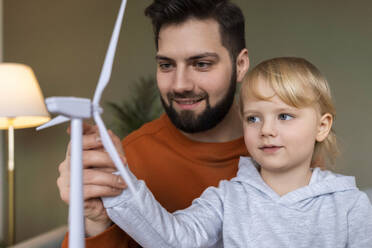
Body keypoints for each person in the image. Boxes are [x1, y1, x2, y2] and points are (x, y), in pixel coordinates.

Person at [103, 57, 372, 247]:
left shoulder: (349, 205)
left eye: (285, 116)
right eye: (254, 118)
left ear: (322, 126)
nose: (266, 130)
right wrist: (118, 178)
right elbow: (172, 239)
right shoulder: (226, 199)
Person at [59, 0, 250, 247]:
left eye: (201, 64)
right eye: (166, 65)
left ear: (240, 65)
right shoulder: (126, 161)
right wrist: (95, 221)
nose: (180, 84)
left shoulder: (289, 154)